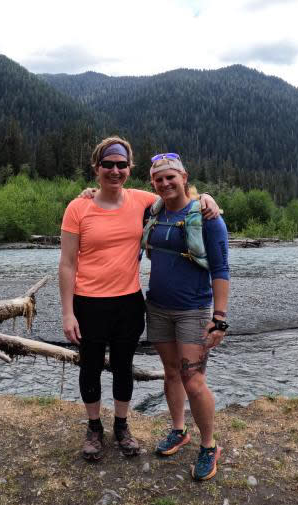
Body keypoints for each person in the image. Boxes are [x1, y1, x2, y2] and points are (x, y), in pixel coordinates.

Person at [58, 136, 219, 462]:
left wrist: (205, 197)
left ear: (129, 169)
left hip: (129, 301)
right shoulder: (79, 207)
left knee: (122, 367)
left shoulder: (143, 200)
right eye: (108, 165)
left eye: (121, 165)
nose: (115, 171)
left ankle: (121, 425)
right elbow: (67, 263)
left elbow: (177, 195)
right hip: (87, 302)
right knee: (89, 367)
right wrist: (66, 313)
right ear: (96, 168)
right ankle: (93, 428)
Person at [143, 152, 229, 481]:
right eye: (158, 179)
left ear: (184, 177)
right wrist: (89, 193)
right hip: (158, 308)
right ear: (153, 182)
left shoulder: (208, 216)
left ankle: (209, 447)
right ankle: (179, 431)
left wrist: (219, 317)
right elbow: (117, 195)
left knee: (193, 380)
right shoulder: (154, 213)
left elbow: (221, 270)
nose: (165, 183)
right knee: (170, 373)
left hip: (193, 310)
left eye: (171, 177)